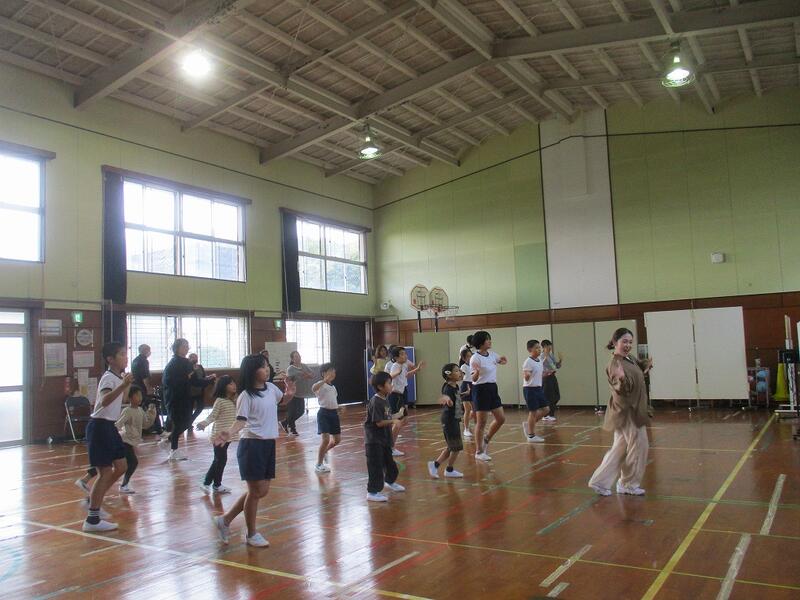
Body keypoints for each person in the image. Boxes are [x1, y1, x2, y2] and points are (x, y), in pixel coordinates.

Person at [212, 354, 296, 547]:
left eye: (267, 366)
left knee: (260, 491)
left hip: (268, 444)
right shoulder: (246, 396)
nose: (266, 369)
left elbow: (282, 401)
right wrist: (229, 432)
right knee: (255, 491)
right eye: (262, 366)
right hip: (252, 445)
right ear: (251, 371)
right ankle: (251, 534)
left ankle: (225, 520)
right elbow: (241, 421)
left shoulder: (271, 388)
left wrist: (290, 393)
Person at [588, 328, 654, 496]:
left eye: (630, 342)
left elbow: (638, 369)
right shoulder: (614, 364)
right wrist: (622, 379)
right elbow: (622, 389)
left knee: (620, 449)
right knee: (639, 446)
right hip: (627, 412)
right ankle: (628, 484)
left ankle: (599, 482)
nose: (628, 345)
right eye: (624, 341)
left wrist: (646, 365)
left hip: (633, 409)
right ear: (615, 342)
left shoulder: (629, 358)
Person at [82, 341, 133, 532]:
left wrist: (126, 384)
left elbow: (124, 399)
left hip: (110, 426)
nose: (125, 357)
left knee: (122, 467)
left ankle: (94, 498)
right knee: (104, 472)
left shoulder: (118, 378)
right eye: (121, 354)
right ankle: (92, 519)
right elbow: (104, 400)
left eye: (125, 353)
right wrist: (123, 385)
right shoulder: (108, 378)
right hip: (99, 426)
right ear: (110, 359)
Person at [160, 339, 206, 461]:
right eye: (184, 346)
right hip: (175, 397)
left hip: (185, 397)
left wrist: (208, 380)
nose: (186, 348)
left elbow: (194, 381)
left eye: (187, 346)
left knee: (185, 423)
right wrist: (186, 377)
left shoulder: (186, 363)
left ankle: (169, 443)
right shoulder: (173, 363)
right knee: (180, 423)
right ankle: (173, 449)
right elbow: (168, 381)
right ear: (177, 348)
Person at [364, 371, 406, 502]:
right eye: (389, 383)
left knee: (390, 465)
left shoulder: (385, 399)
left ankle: (390, 481)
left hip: (384, 439)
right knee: (375, 467)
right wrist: (393, 421)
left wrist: (398, 415)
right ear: (380, 386)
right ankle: (372, 492)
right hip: (374, 441)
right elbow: (379, 422)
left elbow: (387, 417)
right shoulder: (376, 401)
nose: (391, 385)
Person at [469, 330, 508, 462]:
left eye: (489, 338)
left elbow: (500, 360)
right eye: (487, 339)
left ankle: (486, 439)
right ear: (480, 342)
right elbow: (473, 379)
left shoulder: (492, 354)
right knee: (481, 423)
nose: (490, 341)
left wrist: (503, 360)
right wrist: (477, 372)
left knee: (501, 418)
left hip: (492, 388)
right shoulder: (475, 358)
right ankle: (479, 451)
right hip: (480, 390)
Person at [197, 375, 239, 494]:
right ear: (223, 386)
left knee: (219, 460)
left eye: (234, 383)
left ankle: (215, 484)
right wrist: (204, 423)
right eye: (230, 384)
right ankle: (209, 483)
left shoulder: (234, 400)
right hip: (219, 437)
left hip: (227, 436)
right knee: (220, 460)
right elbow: (212, 416)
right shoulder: (220, 401)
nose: (234, 385)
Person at [115, 385, 158, 494]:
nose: (140, 398)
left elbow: (146, 424)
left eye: (140, 395)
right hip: (124, 441)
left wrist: (151, 413)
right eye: (137, 395)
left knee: (112, 463)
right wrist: (112, 434)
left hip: (130, 442)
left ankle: (88, 477)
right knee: (132, 462)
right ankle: (124, 485)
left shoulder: (140, 410)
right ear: (130, 398)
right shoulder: (127, 411)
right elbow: (118, 424)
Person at [427, 363, 465, 479]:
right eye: (457, 371)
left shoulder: (455, 387)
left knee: (451, 446)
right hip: (449, 421)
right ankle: (447, 469)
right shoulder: (447, 388)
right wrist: (448, 401)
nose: (460, 373)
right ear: (449, 375)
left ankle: (436, 465)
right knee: (456, 447)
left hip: (454, 419)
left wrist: (464, 394)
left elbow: (456, 397)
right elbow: (447, 398)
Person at [385, 346, 424, 456]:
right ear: (396, 357)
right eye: (402, 354)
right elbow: (389, 377)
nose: (405, 355)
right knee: (398, 421)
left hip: (401, 395)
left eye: (405, 353)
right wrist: (396, 373)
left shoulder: (403, 365)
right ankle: (390, 447)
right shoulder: (395, 366)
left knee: (404, 420)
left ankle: (389, 440)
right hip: (395, 396)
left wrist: (417, 369)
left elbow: (406, 376)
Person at [312, 363, 340, 473]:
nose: (333, 373)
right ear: (323, 373)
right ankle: (318, 464)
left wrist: (339, 408)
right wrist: (324, 380)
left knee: (337, 440)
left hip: (334, 414)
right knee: (326, 439)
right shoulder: (320, 385)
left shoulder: (333, 387)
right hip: (324, 414)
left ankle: (325, 451)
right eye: (330, 371)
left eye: (334, 371)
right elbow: (313, 388)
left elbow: (333, 400)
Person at [521, 339, 547, 443]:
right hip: (530, 389)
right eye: (536, 348)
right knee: (533, 412)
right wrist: (527, 375)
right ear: (530, 350)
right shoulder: (528, 362)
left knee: (546, 409)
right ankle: (531, 436)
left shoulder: (539, 360)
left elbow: (538, 373)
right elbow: (526, 376)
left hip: (538, 388)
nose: (539, 349)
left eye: (539, 347)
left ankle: (528, 424)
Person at [282, 351, 313, 435]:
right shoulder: (290, 368)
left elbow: (311, 375)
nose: (298, 357)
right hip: (293, 393)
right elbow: (291, 379)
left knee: (301, 411)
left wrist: (307, 375)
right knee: (292, 412)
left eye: (299, 355)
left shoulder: (304, 366)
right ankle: (293, 429)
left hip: (301, 393)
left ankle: (285, 422)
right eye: (296, 356)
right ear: (292, 359)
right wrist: (302, 375)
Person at [189, 353, 216, 427]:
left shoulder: (200, 366)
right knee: (190, 409)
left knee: (200, 407)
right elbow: (192, 379)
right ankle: (189, 424)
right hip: (190, 392)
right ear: (189, 359)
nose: (195, 359)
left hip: (200, 390)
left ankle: (190, 421)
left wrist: (209, 377)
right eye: (193, 357)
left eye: (196, 357)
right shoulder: (188, 368)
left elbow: (204, 377)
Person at [541, 340, 563, 422]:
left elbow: (556, 366)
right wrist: (554, 365)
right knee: (549, 397)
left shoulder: (550, 355)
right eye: (548, 346)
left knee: (557, 396)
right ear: (544, 347)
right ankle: (547, 415)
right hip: (546, 378)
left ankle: (549, 414)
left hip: (552, 376)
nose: (550, 347)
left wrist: (560, 361)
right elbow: (552, 366)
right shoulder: (542, 356)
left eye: (550, 346)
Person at [459, 347, 475, 439]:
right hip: (466, 386)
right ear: (464, 358)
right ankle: (466, 429)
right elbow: (462, 377)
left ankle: (469, 423)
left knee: (475, 410)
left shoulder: (474, 365)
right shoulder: (463, 367)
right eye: (468, 356)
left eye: (471, 356)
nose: (470, 358)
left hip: (474, 386)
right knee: (467, 409)